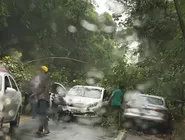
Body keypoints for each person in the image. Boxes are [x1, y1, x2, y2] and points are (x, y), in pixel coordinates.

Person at [30, 65, 51, 135]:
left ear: (42, 71)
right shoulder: (45, 78)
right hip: (43, 98)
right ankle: (40, 129)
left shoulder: (43, 78)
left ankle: (47, 129)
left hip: (43, 99)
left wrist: (35, 93)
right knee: (41, 114)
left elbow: (40, 88)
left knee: (42, 114)